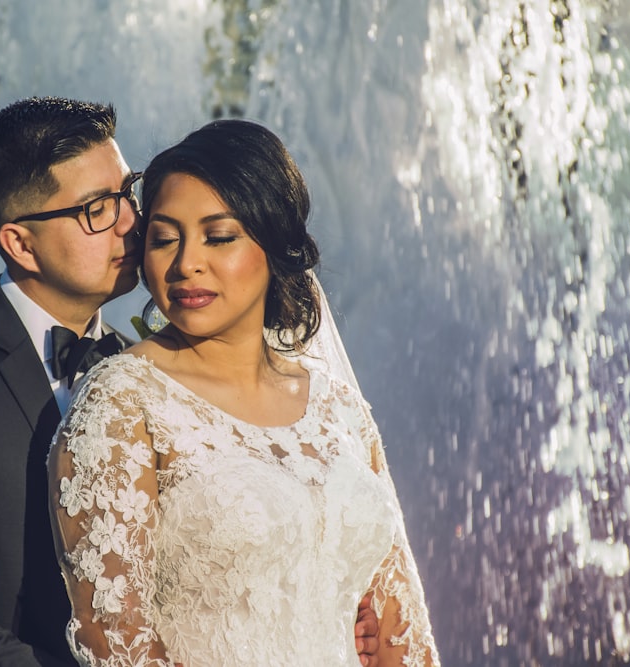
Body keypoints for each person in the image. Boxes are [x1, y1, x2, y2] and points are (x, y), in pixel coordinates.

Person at [0, 98, 381, 666]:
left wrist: (323, 609)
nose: (132, 222)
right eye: (98, 209)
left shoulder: (162, 383)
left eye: (127, 194)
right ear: (20, 243)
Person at [48, 119, 440, 666]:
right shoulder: (121, 402)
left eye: (219, 236)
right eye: (164, 239)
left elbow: (403, 629)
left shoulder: (338, 408)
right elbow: (116, 641)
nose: (186, 263)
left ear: (273, 244)